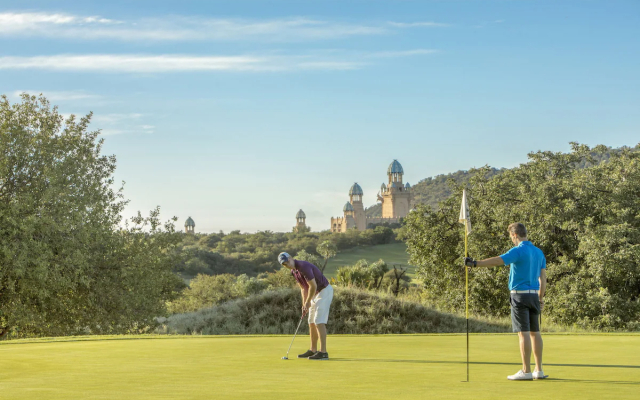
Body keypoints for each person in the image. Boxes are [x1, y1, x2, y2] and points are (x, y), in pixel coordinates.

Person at [465, 222, 547, 380]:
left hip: (519, 296)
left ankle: (526, 371)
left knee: (523, 334)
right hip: (533, 296)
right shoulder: (538, 252)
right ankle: (539, 370)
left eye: (511, 237)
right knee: (535, 333)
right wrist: (540, 297)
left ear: (515, 235)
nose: (511, 240)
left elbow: (498, 261)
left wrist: (475, 264)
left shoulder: (518, 251)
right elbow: (542, 278)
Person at [278, 252, 334, 360]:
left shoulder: (303, 267)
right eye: (284, 264)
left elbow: (313, 285)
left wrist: (308, 301)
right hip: (314, 294)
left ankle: (323, 352)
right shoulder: (294, 272)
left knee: (318, 321)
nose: (287, 265)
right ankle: (312, 350)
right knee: (311, 322)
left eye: (287, 262)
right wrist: (304, 304)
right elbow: (303, 288)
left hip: (324, 291)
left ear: (291, 258)